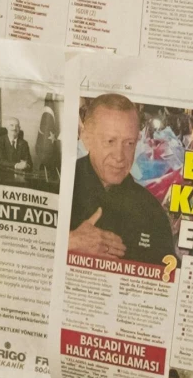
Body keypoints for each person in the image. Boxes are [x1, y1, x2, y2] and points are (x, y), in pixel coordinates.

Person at [67, 95, 177, 267]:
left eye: (129, 143)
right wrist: (70, 244)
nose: (119, 156)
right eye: (110, 141)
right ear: (86, 138)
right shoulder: (60, 185)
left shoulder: (151, 212)